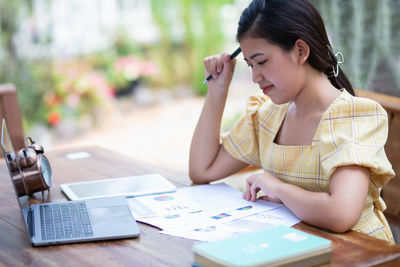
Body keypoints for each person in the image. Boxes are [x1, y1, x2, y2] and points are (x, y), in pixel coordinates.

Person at [189, 0, 395, 243]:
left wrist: (276, 188)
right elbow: (202, 170)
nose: (256, 77)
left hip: (359, 255)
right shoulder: (268, 116)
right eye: (250, 65)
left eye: (262, 61)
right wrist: (217, 89)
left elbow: (341, 214)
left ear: (300, 51)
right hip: (297, 248)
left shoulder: (352, 117)